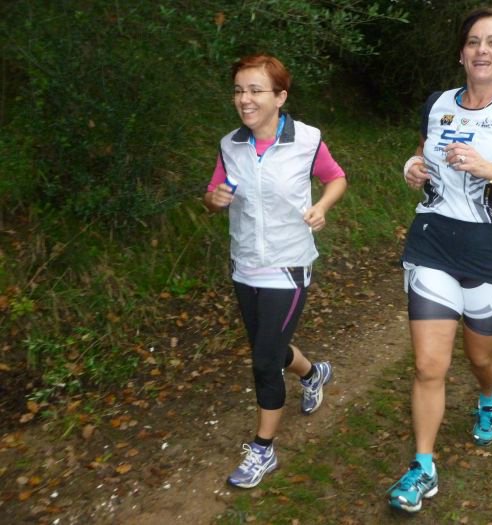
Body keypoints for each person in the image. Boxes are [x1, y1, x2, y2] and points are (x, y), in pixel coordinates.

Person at [389, 7, 492, 513]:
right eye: (473, 42)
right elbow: (424, 158)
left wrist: (490, 169)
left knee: (480, 357)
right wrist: (413, 168)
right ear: (461, 53)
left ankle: (488, 397)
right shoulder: (438, 103)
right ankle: (423, 467)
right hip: (433, 243)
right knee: (428, 364)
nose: (482, 50)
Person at [204, 53, 347, 488]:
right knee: (269, 347)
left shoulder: (306, 140)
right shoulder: (230, 145)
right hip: (244, 265)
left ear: (280, 97)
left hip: (288, 266)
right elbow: (212, 193)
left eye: (255, 90)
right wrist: (214, 200)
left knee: (264, 360)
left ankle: (263, 449)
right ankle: (313, 373)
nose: (244, 99)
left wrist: (322, 207)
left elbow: (336, 178)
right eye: (238, 90)